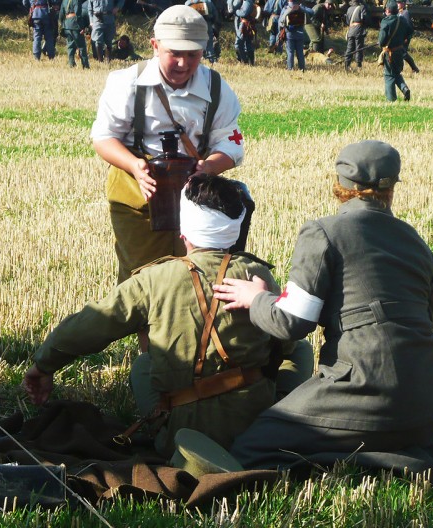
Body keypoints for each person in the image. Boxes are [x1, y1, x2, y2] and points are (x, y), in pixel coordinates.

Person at [23, 174, 311, 457]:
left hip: (180, 438)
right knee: (300, 350)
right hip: (253, 429)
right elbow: (282, 345)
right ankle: (280, 415)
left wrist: (43, 365)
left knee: (144, 363)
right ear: (235, 230)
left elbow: (90, 325)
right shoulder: (256, 275)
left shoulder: (154, 278)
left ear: (183, 233)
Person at [212, 141, 433, 474]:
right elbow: (428, 318)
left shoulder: (324, 233)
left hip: (365, 392)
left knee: (252, 449)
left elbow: (292, 323)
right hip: (427, 406)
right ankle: (402, 452)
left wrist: (256, 299)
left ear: (341, 187)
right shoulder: (415, 241)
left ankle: (404, 464)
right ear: (392, 188)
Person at [91, 5, 245, 284]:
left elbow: (231, 143)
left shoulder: (217, 89)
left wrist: (208, 167)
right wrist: (135, 166)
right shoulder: (126, 83)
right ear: (155, 46)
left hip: (196, 196)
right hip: (137, 194)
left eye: (193, 55)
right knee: (142, 278)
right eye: (175, 53)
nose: (184, 64)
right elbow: (103, 137)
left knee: (198, 277)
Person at [379, 1, 411, 102]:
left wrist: (381, 42)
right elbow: (410, 31)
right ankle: (404, 88)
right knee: (396, 73)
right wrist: (403, 39)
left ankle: (391, 100)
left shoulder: (386, 21)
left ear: (388, 10)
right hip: (399, 51)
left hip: (389, 53)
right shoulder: (402, 20)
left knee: (389, 75)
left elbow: (381, 41)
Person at [278, 0, 313, 70]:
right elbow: (311, 13)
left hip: (289, 34)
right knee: (300, 52)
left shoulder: (286, 9)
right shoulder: (301, 9)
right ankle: (302, 68)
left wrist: (280, 31)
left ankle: (290, 68)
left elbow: (281, 22)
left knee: (290, 52)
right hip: (300, 33)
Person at [59, 0, 90, 68]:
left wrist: (63, 24)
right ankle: (85, 66)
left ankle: (71, 64)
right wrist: (82, 27)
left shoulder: (64, 1)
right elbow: (78, 15)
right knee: (82, 47)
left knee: (70, 46)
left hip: (67, 25)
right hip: (75, 25)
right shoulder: (76, 1)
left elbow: (61, 15)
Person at [344, 0, 368, 70]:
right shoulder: (361, 7)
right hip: (359, 29)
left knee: (349, 48)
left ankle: (347, 64)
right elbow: (365, 19)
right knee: (359, 48)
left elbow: (347, 21)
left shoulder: (349, 8)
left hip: (351, 30)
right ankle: (359, 66)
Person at [230, 0, 256, 64]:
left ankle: (244, 60)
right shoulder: (248, 2)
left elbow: (244, 13)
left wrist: (236, 11)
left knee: (238, 43)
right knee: (248, 44)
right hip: (246, 24)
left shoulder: (248, 2)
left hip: (245, 25)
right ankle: (249, 62)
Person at [397, 0, 420, 72]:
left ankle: (414, 68)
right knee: (401, 53)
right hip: (399, 37)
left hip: (404, 37)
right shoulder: (398, 12)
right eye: (397, 2)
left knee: (403, 53)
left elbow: (409, 27)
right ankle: (401, 69)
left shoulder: (405, 13)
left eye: (399, 2)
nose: (398, 4)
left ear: (404, 4)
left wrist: (406, 37)